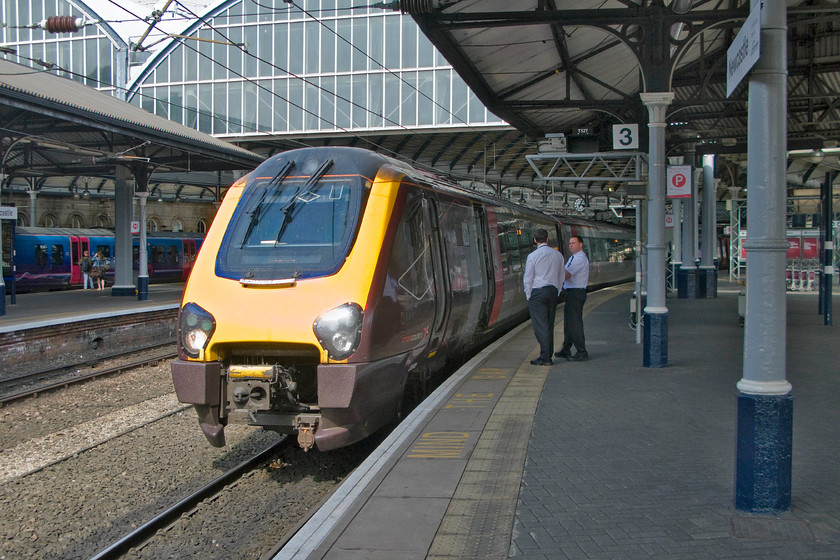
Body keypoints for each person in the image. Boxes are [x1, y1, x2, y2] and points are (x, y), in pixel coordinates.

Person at [523, 228, 565, 366]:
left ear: (535, 240)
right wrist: (558, 291)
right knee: (549, 324)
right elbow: (561, 275)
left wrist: (529, 295)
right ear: (547, 239)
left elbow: (528, 277)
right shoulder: (558, 255)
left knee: (541, 326)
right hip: (552, 291)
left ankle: (545, 357)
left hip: (537, 293)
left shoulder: (532, 256)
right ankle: (547, 355)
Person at [556, 235, 590, 361]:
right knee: (569, 322)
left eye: (573, 243)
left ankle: (581, 351)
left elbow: (567, 275)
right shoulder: (574, 257)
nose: (571, 245)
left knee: (575, 322)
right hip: (572, 292)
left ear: (580, 245)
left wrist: (555, 268)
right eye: (570, 243)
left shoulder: (579, 258)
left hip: (576, 293)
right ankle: (566, 348)